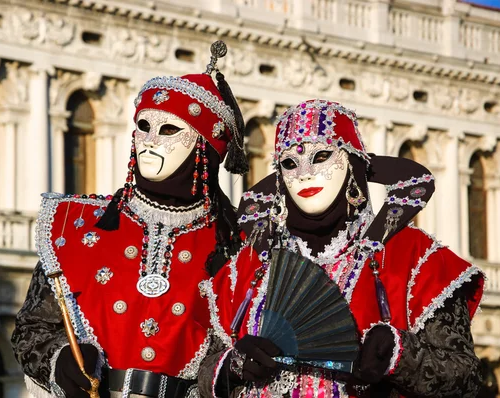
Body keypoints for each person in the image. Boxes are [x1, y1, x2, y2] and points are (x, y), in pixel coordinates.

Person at [199, 99, 484, 398]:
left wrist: (399, 355)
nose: (305, 174)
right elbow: (204, 371)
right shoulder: (251, 265)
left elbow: (465, 378)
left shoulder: (411, 256)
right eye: (289, 164)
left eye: (321, 156)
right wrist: (231, 366)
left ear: (352, 164)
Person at [11, 41, 249, 398]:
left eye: (169, 130)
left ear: (206, 148)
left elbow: (232, 349)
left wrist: (227, 369)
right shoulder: (73, 227)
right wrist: (61, 361)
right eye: (143, 126)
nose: (150, 141)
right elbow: (33, 328)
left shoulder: (234, 248)